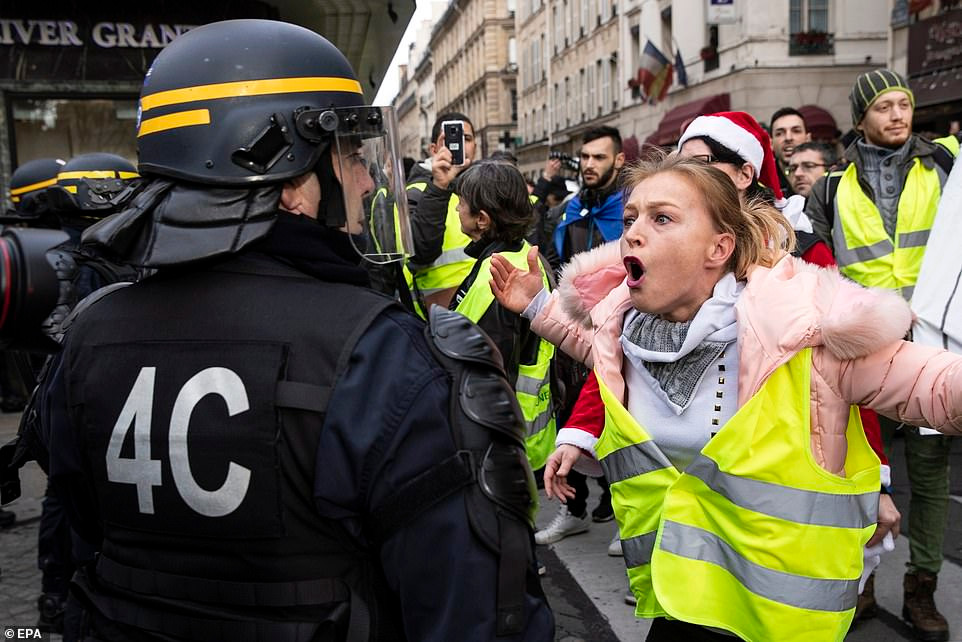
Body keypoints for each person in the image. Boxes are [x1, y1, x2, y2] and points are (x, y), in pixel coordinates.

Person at [26, 19, 553, 641]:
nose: (363, 180)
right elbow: (473, 614)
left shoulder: (91, 333)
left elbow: (75, 529)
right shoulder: (381, 354)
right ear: (291, 182)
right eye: (351, 157)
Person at [489, 152, 962, 641]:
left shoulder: (804, 334)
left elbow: (937, 388)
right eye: (630, 218)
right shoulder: (626, 330)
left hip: (779, 621)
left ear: (719, 247)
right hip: (680, 605)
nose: (631, 231)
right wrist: (539, 306)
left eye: (662, 218)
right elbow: (596, 347)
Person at [805, 68, 960, 641]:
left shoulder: (944, 164)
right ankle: (860, 579)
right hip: (862, 351)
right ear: (860, 117)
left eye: (904, 104)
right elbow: (815, 263)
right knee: (857, 469)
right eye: (883, 107)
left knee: (929, 473)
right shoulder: (829, 186)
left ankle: (923, 587)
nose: (897, 115)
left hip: (932, 343)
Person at [530, 126, 626, 546]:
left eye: (599, 158)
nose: (589, 165)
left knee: (620, 423)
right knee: (571, 417)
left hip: (618, 330)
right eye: (585, 157)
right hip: (572, 331)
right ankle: (574, 509)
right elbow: (553, 257)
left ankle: (623, 512)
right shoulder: (571, 209)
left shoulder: (630, 210)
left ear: (618, 161)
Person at [450, 161, 557, 470]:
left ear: (482, 219)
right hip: (526, 429)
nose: (457, 210)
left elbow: (487, 369)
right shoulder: (520, 253)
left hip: (502, 438)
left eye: (462, 203)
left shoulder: (498, 276)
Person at [404, 112, 479, 310]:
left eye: (467, 139)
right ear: (434, 149)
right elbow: (419, 252)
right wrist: (439, 187)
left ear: (475, 148)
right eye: (450, 138)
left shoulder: (485, 189)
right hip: (441, 316)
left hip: (485, 311)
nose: (460, 144)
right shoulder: (416, 193)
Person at [770, 107, 811, 197]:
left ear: (808, 139)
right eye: (780, 133)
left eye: (796, 131)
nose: (788, 138)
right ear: (771, 143)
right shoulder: (761, 184)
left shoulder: (824, 178)